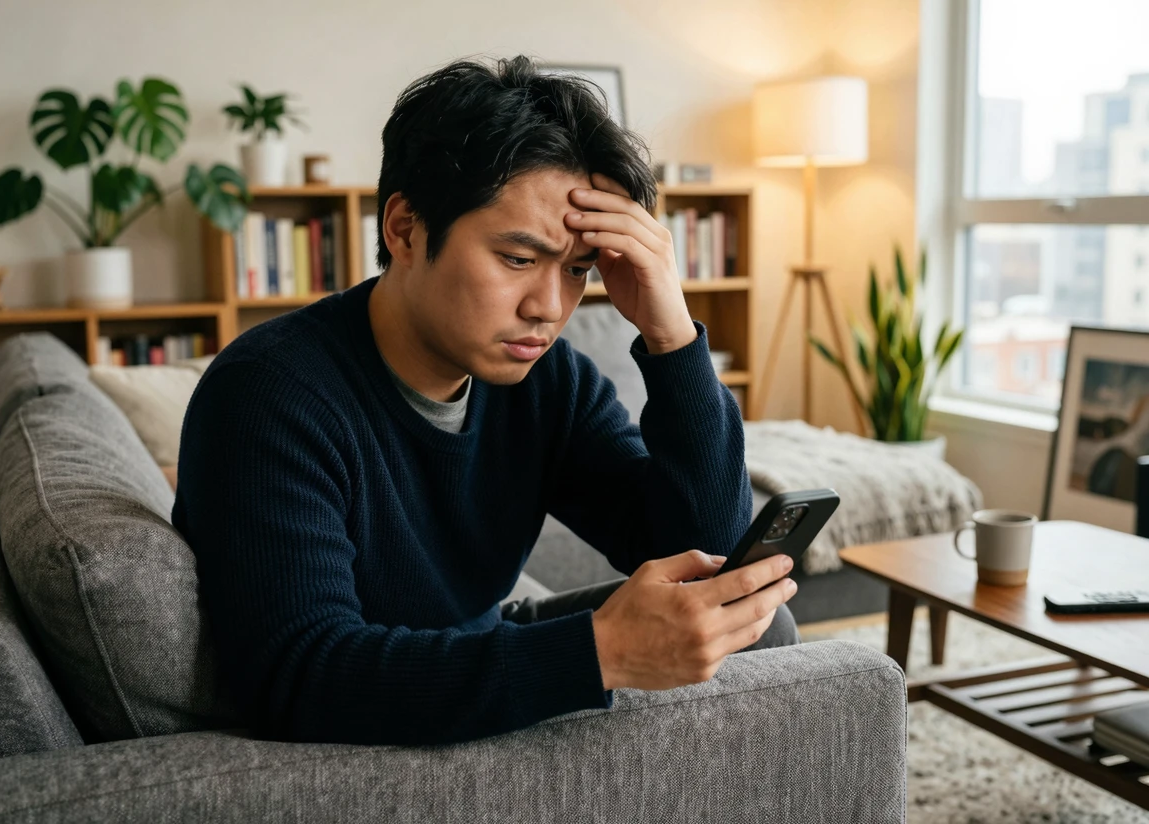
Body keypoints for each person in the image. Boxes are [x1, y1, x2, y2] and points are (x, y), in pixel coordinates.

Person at [172, 54, 800, 748]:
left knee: (750, 618)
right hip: (369, 704)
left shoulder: (545, 381)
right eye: (518, 259)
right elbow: (302, 677)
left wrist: (670, 330)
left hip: (477, 642)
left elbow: (699, 548)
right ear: (405, 229)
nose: (548, 306)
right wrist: (602, 653)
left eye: (577, 271)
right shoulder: (270, 393)